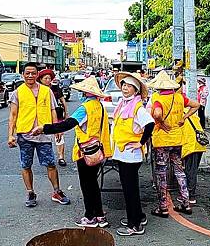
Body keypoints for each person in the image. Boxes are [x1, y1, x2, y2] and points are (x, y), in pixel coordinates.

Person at [31, 76, 112, 228]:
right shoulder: (99, 106)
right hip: (97, 150)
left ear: (85, 92)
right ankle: (100, 216)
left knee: (87, 185)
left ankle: (90, 217)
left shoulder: (85, 108)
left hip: (85, 152)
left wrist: (45, 128)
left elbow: (68, 124)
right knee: (93, 184)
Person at [7, 62, 70, 208]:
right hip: (25, 134)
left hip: (44, 134)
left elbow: (53, 110)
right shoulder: (17, 92)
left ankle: (57, 191)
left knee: (50, 164)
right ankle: (30, 193)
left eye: (33, 73)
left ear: (37, 74)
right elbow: (13, 115)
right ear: (23, 74)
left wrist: (56, 129)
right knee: (26, 165)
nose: (30, 75)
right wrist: (10, 135)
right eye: (27, 73)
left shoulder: (46, 91)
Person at [148, 70, 199, 217]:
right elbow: (196, 105)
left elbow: (157, 113)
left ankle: (163, 207)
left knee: (162, 172)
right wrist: (184, 118)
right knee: (179, 170)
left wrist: (161, 122)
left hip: (162, 141)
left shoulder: (157, 98)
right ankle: (186, 203)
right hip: (177, 139)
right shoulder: (179, 97)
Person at [111, 72, 154, 236]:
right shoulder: (123, 104)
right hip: (123, 153)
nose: (125, 88)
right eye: (123, 85)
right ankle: (138, 216)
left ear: (136, 90)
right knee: (130, 188)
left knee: (130, 190)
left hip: (130, 155)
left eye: (129, 86)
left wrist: (141, 142)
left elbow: (149, 124)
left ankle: (134, 225)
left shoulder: (137, 107)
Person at [37, 69, 69, 166]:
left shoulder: (55, 88)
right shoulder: (38, 89)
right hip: (44, 116)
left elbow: (63, 101)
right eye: (45, 78)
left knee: (59, 135)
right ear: (41, 79)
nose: (48, 80)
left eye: (49, 78)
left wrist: (66, 113)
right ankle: (46, 157)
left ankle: (61, 157)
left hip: (57, 114)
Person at [181, 112, 207, 205]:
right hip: (199, 144)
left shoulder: (180, 114)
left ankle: (191, 196)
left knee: (190, 171)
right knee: (192, 169)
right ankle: (188, 193)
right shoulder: (192, 113)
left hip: (191, 146)